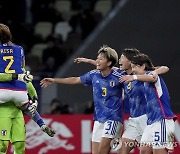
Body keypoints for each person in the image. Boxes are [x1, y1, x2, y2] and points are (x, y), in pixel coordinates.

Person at [74, 48, 169, 154]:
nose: (119, 60)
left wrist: (154, 72)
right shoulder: (122, 75)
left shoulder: (143, 74)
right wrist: (88, 61)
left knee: (149, 151)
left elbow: (164, 68)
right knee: (122, 150)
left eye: (122, 57)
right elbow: (108, 67)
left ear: (131, 61)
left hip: (147, 118)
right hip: (133, 120)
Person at [41, 45, 124, 154]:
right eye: (97, 58)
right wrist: (54, 80)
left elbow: (135, 74)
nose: (97, 61)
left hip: (113, 119)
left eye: (101, 59)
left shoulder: (119, 76)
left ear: (109, 63)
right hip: (99, 120)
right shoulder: (94, 75)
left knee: (103, 152)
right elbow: (75, 79)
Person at [0, 23, 55, 137]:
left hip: (2, 91)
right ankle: (42, 124)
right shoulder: (19, 49)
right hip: (19, 92)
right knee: (28, 108)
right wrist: (34, 97)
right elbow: (22, 69)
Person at [120, 53, 177, 154]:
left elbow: (152, 77)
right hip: (151, 122)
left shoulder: (151, 74)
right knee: (144, 150)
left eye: (134, 67)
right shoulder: (144, 79)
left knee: (158, 152)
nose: (132, 70)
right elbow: (163, 68)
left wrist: (133, 77)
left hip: (163, 119)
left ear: (143, 66)